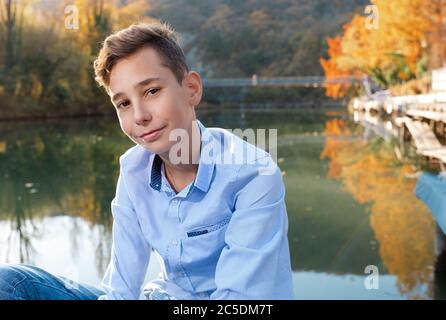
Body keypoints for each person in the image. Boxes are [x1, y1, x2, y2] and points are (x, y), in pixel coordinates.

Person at [0, 22, 293, 300]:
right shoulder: (134, 170)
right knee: (11, 283)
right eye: (124, 103)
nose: (139, 116)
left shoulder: (253, 175)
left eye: (152, 91)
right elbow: (121, 289)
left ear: (191, 89)